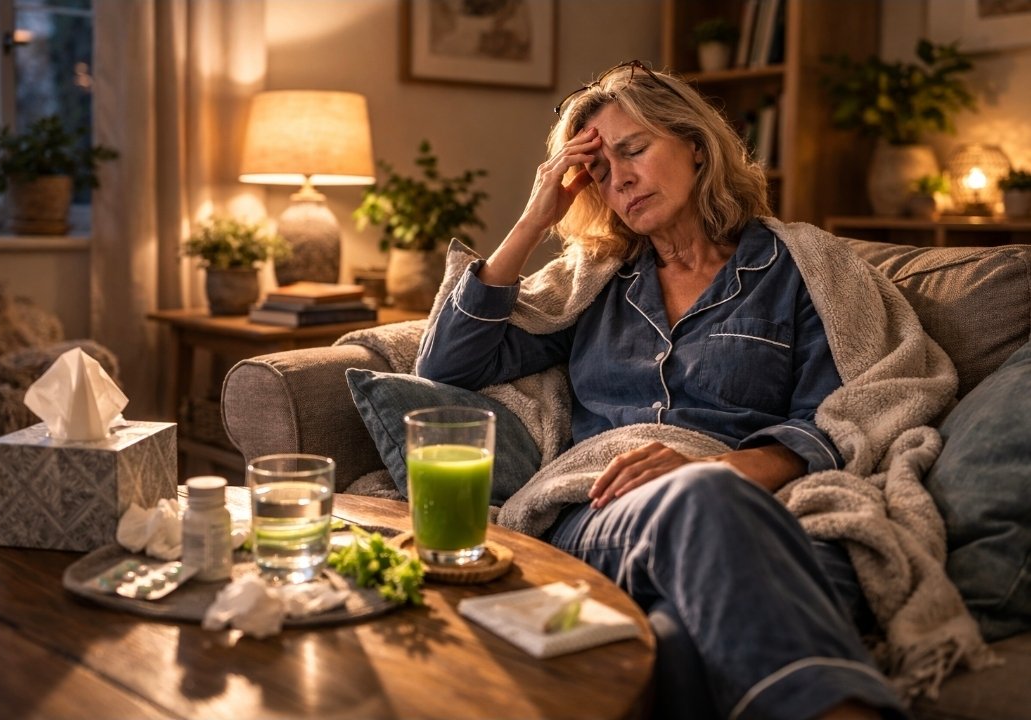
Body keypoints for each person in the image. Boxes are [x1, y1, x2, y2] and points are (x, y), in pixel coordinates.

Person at [412, 60, 984, 719]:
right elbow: (446, 366)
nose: (619, 178)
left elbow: (839, 412)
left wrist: (722, 468)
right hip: (600, 509)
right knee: (702, 505)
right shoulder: (595, 283)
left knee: (675, 644)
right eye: (599, 170)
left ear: (694, 143)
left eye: (634, 149)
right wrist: (532, 221)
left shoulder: (796, 270)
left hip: (753, 502)